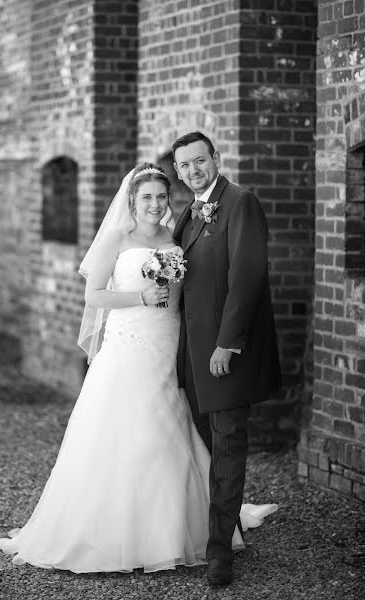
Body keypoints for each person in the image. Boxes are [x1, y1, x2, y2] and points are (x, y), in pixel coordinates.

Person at [0, 162, 277, 576]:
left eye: (161, 196)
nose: (155, 204)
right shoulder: (116, 237)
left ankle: (180, 527)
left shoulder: (176, 234)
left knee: (170, 426)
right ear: (131, 200)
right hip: (128, 345)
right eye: (146, 197)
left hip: (171, 342)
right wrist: (140, 298)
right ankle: (114, 533)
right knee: (126, 430)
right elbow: (94, 296)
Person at [172, 132, 282, 585]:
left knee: (228, 447)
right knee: (205, 444)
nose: (194, 170)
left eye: (200, 161)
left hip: (224, 355)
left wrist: (228, 343)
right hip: (191, 357)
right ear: (178, 172)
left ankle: (220, 555)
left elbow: (247, 276)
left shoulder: (240, 203)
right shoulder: (187, 213)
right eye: (185, 166)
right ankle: (226, 527)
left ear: (216, 158)